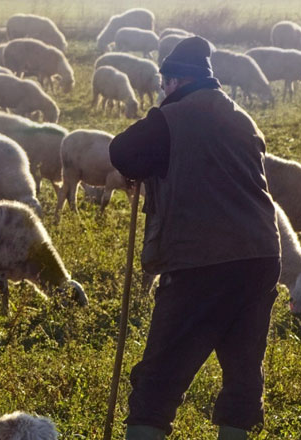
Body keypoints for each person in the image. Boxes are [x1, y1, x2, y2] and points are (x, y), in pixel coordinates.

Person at [109, 36, 281, 440]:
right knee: (242, 374)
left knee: (158, 378)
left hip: (202, 259)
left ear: (174, 81)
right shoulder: (241, 118)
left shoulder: (172, 117)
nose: (161, 91)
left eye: (162, 84)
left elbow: (122, 151)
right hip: (260, 258)